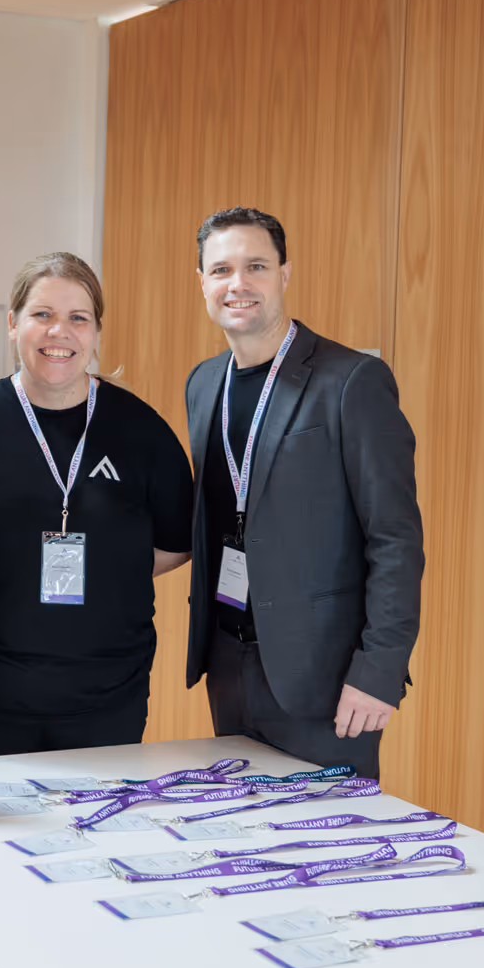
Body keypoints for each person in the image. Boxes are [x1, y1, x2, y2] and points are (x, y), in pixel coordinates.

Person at [0, 252, 193, 968]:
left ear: (98, 332)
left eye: (77, 318)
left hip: (104, 691)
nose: (59, 334)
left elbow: (170, 542)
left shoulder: (138, 429)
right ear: (12, 323)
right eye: (42, 316)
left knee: (93, 864)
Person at [185, 207, 423, 780]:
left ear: (284, 275)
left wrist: (379, 671)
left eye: (256, 266)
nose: (237, 284)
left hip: (327, 683)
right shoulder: (203, 383)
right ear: (202, 283)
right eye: (221, 270)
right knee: (243, 847)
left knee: (325, 856)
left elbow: (394, 539)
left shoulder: (350, 381)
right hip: (228, 663)